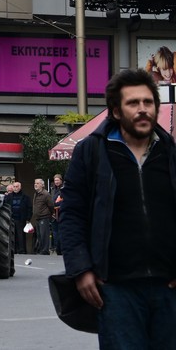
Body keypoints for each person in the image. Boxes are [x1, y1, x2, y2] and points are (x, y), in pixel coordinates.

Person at [57, 67, 176, 349]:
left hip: (168, 289)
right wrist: (81, 269)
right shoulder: (92, 152)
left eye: (148, 103)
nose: (143, 109)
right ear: (116, 111)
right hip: (115, 289)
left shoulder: (169, 153)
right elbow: (71, 213)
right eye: (133, 103)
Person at [5, 179, 29, 253]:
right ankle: (13, 250)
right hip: (11, 218)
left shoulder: (25, 197)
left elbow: (29, 208)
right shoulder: (9, 197)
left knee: (21, 235)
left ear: (20, 187)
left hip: (21, 219)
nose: (15, 188)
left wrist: (28, 218)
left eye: (17, 186)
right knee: (12, 235)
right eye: (14, 186)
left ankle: (21, 250)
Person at [32, 175, 55, 255]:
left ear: (42, 185)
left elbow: (51, 205)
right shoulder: (36, 194)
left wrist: (51, 213)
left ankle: (45, 251)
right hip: (38, 217)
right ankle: (42, 249)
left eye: (38, 183)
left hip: (44, 217)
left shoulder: (46, 194)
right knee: (39, 235)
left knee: (44, 234)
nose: (36, 184)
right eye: (35, 183)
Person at [50, 173, 66, 255]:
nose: (56, 182)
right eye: (55, 180)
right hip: (54, 214)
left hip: (61, 213)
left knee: (61, 232)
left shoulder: (64, 189)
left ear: (61, 180)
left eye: (57, 180)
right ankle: (57, 248)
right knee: (55, 233)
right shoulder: (53, 190)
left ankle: (61, 249)